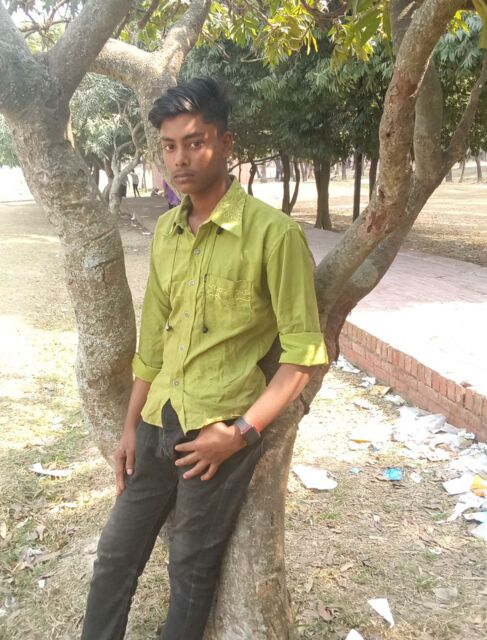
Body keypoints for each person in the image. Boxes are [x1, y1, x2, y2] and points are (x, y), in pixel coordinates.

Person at [81, 77, 328, 640]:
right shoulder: (167, 232)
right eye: (169, 146)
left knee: (189, 568)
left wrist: (239, 434)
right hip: (156, 422)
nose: (180, 159)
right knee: (114, 556)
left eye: (195, 142)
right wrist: (129, 428)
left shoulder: (274, 236)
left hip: (216, 434)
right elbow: (152, 345)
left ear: (225, 143)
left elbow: (303, 356)